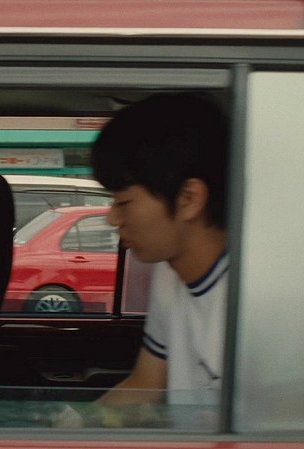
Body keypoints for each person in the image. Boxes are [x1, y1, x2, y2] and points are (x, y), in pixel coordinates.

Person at [91, 92, 229, 407]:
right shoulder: (170, 275)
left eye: (123, 202)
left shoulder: (253, 308)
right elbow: (146, 383)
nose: (112, 219)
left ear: (188, 199)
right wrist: (74, 427)